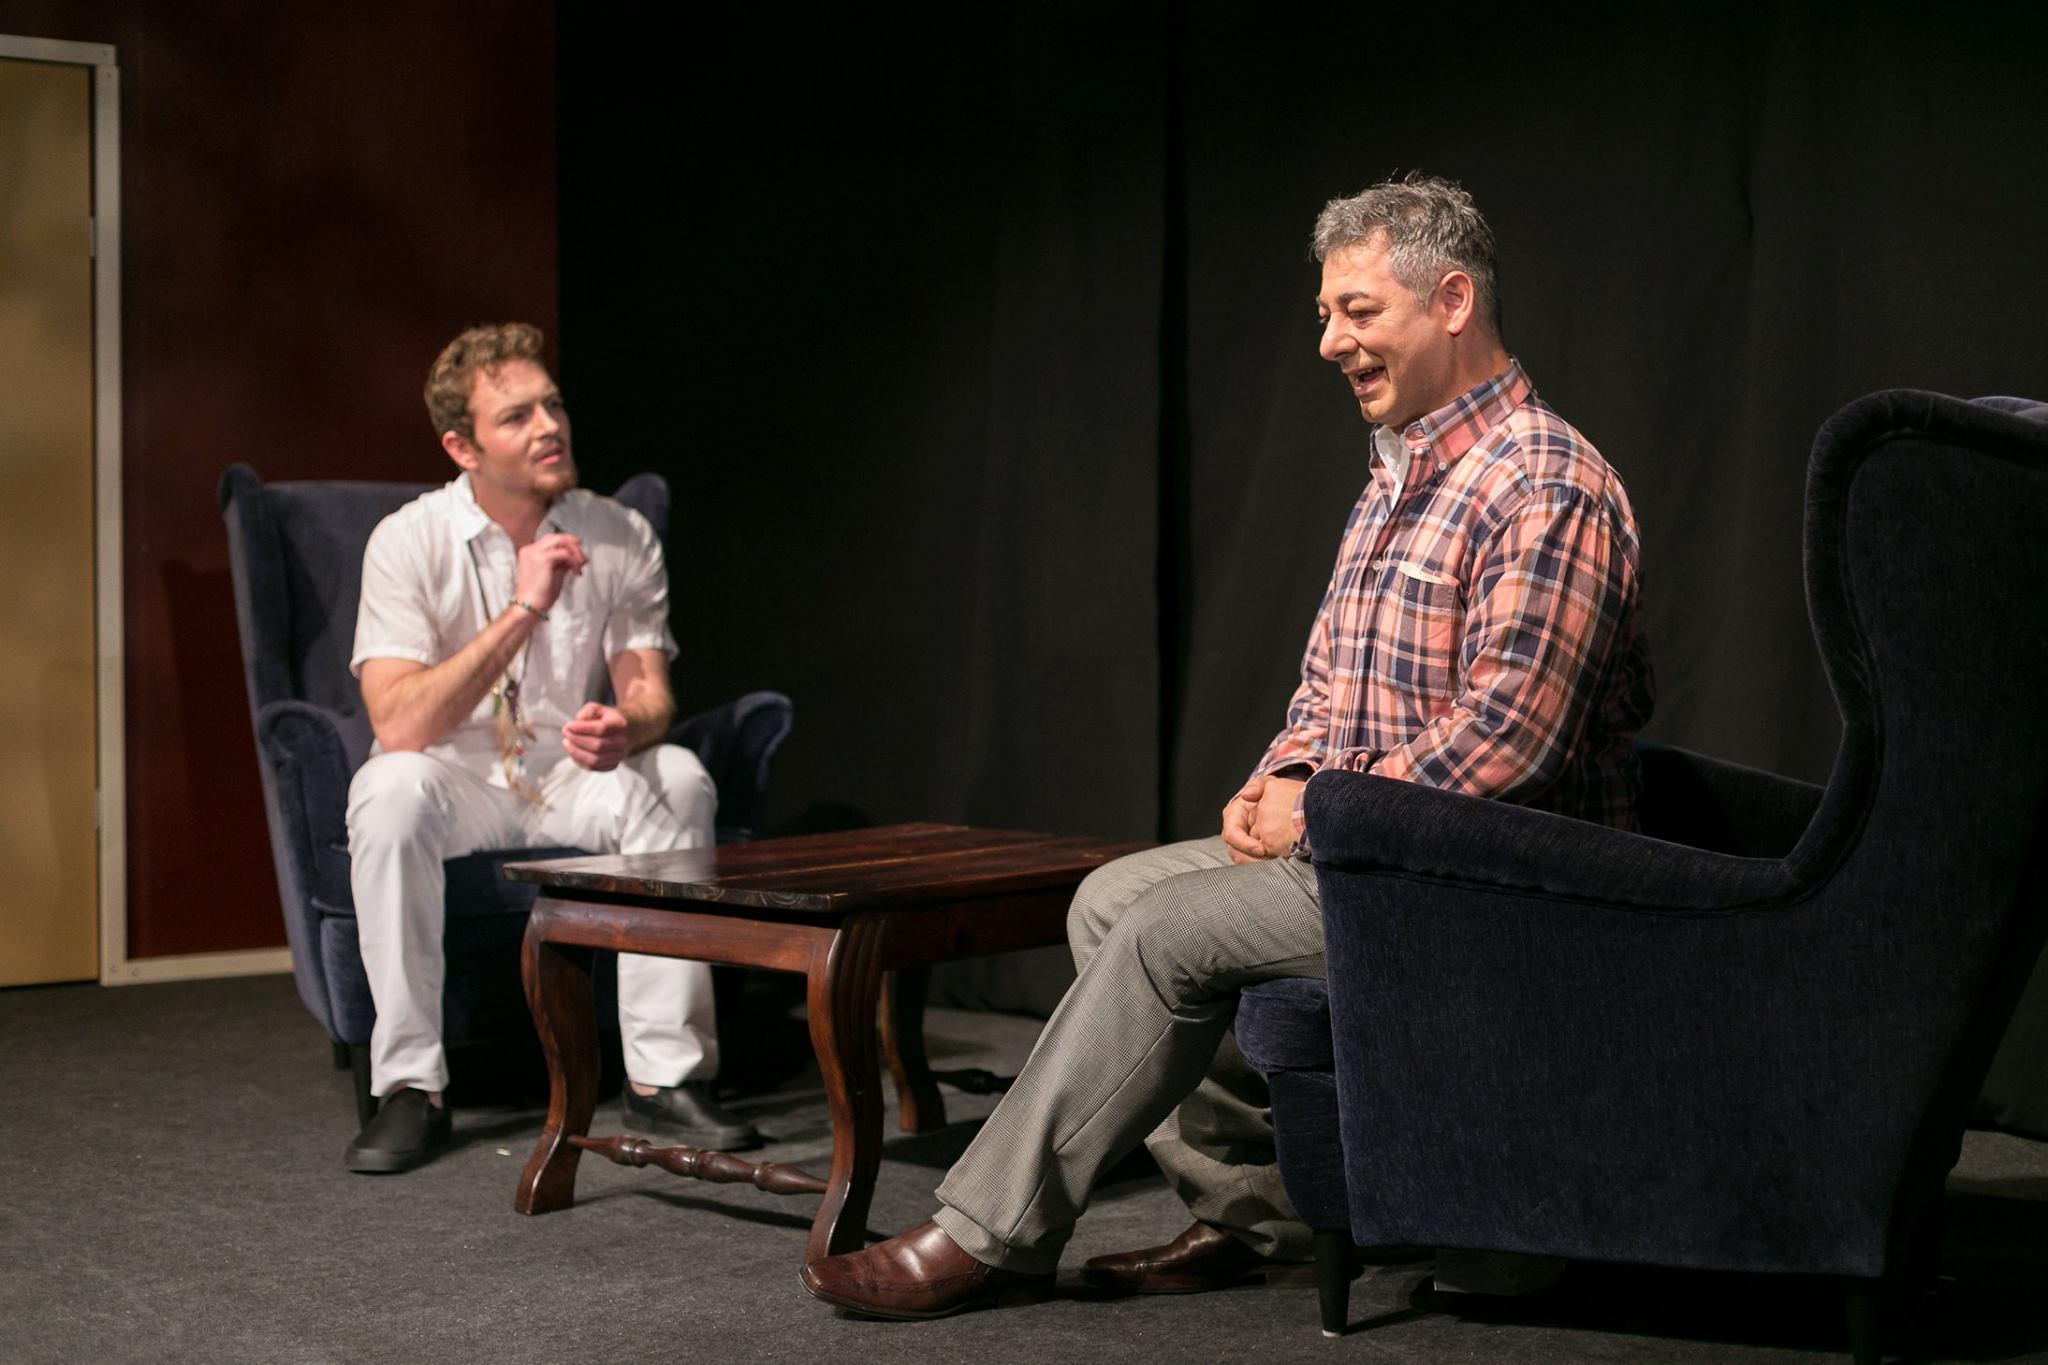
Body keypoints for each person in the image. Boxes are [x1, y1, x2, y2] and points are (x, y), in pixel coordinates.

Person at [799, 174, 1654, 1317]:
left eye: (1356, 311)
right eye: (1323, 314)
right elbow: (1326, 688)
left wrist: (1324, 802)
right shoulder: (1397, 476)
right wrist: (1282, 774)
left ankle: (986, 1232)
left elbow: (1508, 743)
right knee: (1108, 900)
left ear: (1451, 301)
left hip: (1484, 883)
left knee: (1166, 932)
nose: (1328, 341)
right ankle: (1258, 1212)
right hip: (1368, 853)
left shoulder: (1545, 484)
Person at [341, 322, 759, 1173]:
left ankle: (665, 1076)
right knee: (387, 789)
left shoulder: (619, 532)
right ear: (462, 447)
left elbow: (650, 693)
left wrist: (627, 726)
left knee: (678, 777)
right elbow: (399, 725)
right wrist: (525, 606)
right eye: (517, 416)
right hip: (454, 777)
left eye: (553, 405)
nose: (549, 427)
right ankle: (411, 1085)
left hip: (571, 773)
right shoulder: (406, 541)